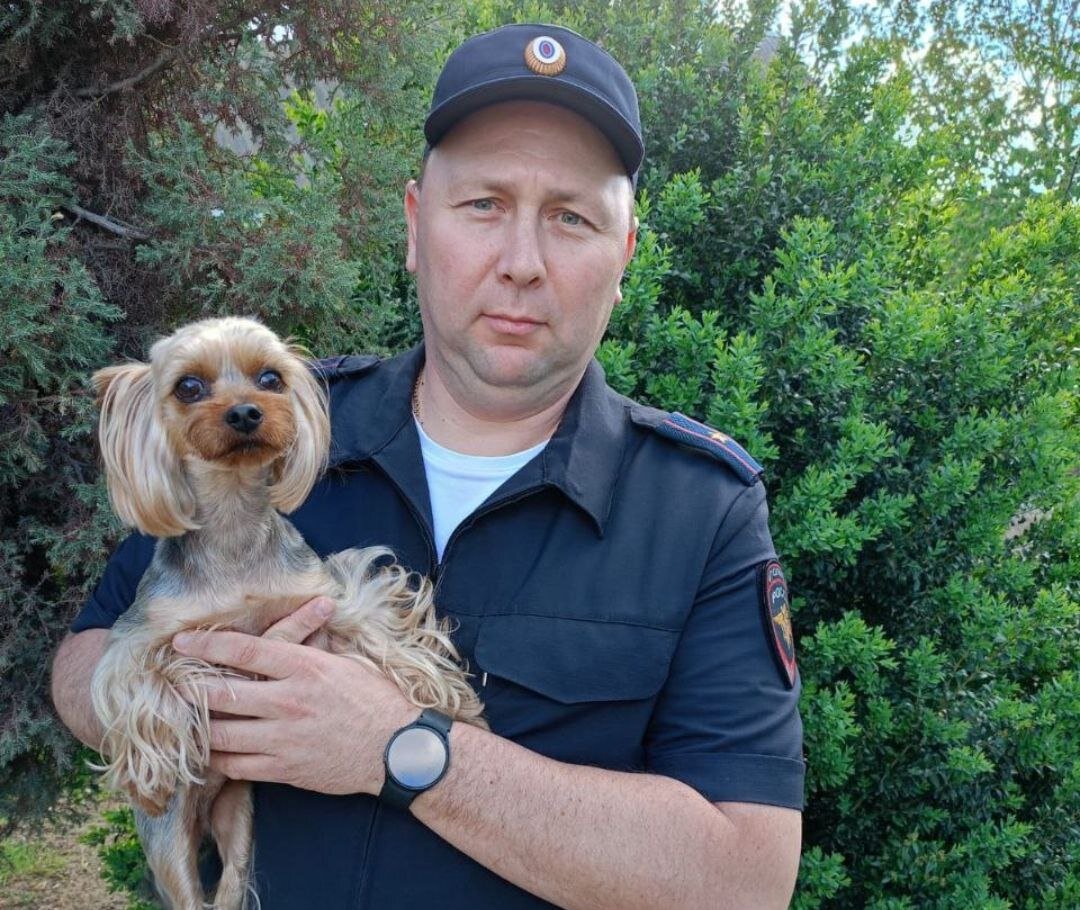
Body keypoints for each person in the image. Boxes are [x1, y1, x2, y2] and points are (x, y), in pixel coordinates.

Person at [52, 23, 804, 910]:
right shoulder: (277, 432)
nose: (522, 264)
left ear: (625, 254)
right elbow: (83, 663)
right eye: (483, 204)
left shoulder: (700, 508)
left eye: (571, 217)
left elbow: (745, 878)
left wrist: (400, 747)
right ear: (416, 226)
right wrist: (193, 708)